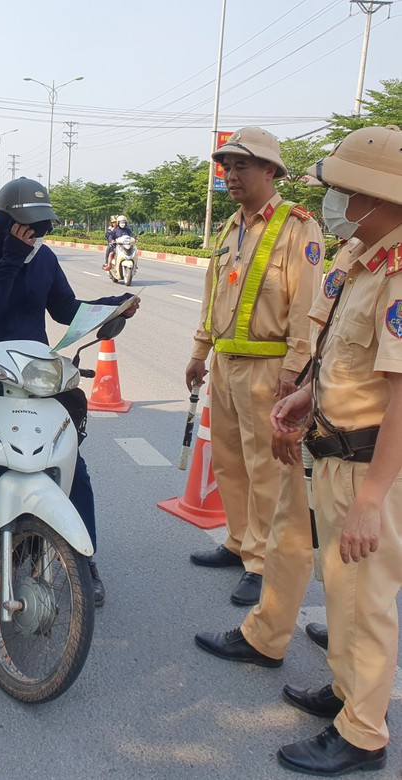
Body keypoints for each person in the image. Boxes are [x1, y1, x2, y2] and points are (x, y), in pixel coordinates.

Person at [0, 177, 139, 607]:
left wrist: (114, 303)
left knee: (70, 454)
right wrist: (11, 263)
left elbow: (63, 309)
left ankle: (83, 556)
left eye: (41, 228)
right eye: (26, 227)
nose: (35, 235)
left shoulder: (44, 258)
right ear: (3, 224)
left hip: (34, 376)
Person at [270, 124, 402, 777]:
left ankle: (364, 736)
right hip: (338, 451)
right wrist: (304, 398)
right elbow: (346, 361)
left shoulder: (401, 272)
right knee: (342, 592)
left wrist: (372, 499)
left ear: (380, 198)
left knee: (366, 602)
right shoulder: (363, 255)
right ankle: (349, 694)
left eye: (344, 190)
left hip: (371, 466)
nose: (334, 200)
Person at [185, 126, 324, 607]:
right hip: (225, 364)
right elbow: (212, 298)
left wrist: (295, 369)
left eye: (242, 165)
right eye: (226, 165)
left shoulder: (297, 226)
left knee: (268, 470)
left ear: (271, 170)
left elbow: (308, 303)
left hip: (270, 369)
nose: (230, 174)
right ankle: (239, 541)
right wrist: (200, 352)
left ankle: (264, 562)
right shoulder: (230, 227)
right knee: (228, 460)